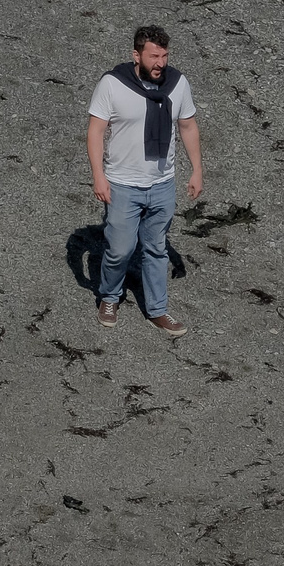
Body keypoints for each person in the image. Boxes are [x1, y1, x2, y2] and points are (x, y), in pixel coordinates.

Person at [85, 23, 201, 337]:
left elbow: (188, 127)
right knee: (120, 250)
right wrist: (98, 176)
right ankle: (109, 296)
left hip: (162, 183)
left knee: (156, 248)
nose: (160, 63)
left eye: (164, 56)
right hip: (122, 183)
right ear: (136, 55)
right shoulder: (112, 84)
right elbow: (95, 131)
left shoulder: (177, 84)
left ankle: (158, 310)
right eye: (153, 56)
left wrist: (197, 170)